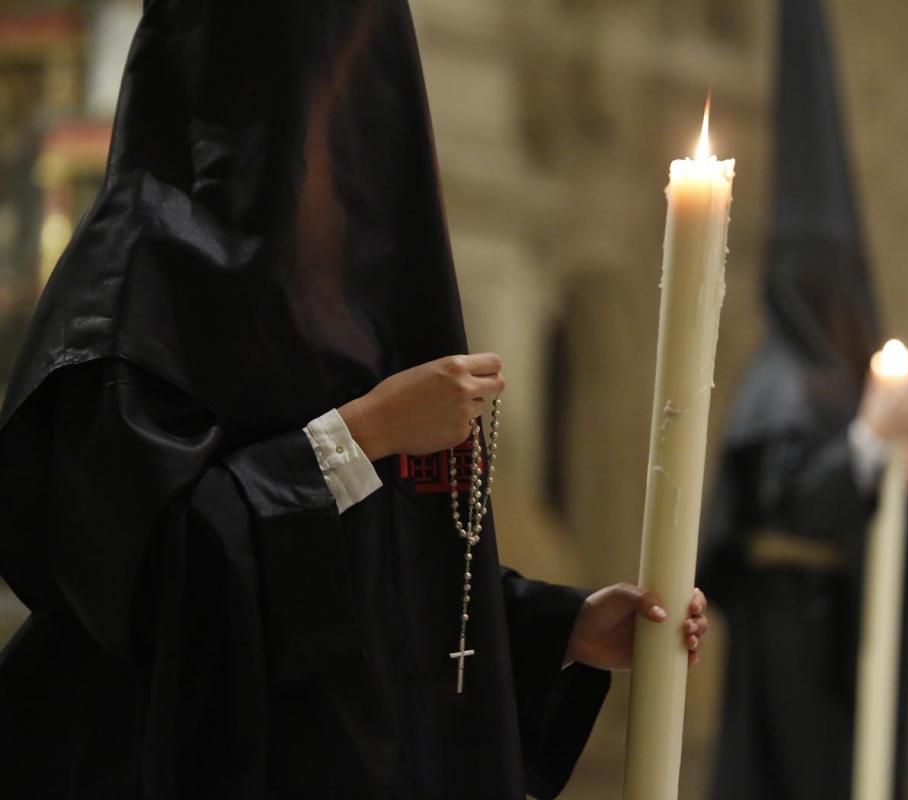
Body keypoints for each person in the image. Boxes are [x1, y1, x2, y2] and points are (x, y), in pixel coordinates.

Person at [0, 2, 708, 798]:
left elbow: (371, 579)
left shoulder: (347, 301)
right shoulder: (128, 293)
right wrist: (357, 438)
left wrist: (557, 627)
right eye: (323, 96)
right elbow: (159, 598)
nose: (350, 136)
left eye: (365, 98)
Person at [697, 0, 908, 797]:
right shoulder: (780, 382)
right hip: (790, 635)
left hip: (837, 630)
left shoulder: (834, 377)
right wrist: (867, 442)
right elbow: (788, 499)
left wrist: (895, 476)